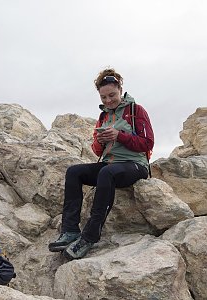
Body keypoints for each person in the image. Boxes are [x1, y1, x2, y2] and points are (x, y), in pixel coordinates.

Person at [48, 68, 154, 260]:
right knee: (74, 172)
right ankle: (70, 230)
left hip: (134, 165)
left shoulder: (135, 111)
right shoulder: (104, 116)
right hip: (110, 164)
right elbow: (97, 151)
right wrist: (100, 140)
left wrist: (119, 136)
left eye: (112, 95)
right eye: (103, 97)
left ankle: (89, 237)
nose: (108, 101)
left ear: (120, 89)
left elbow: (147, 143)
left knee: (107, 173)